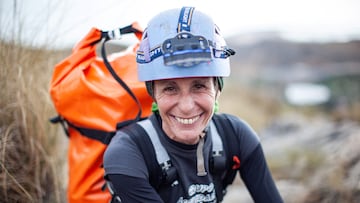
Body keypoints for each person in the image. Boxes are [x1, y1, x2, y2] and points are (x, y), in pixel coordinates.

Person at [103, 6, 283, 203]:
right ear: (153, 93)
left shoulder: (236, 136)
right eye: (170, 88)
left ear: (218, 90)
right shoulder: (127, 153)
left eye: (199, 86)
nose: (187, 106)